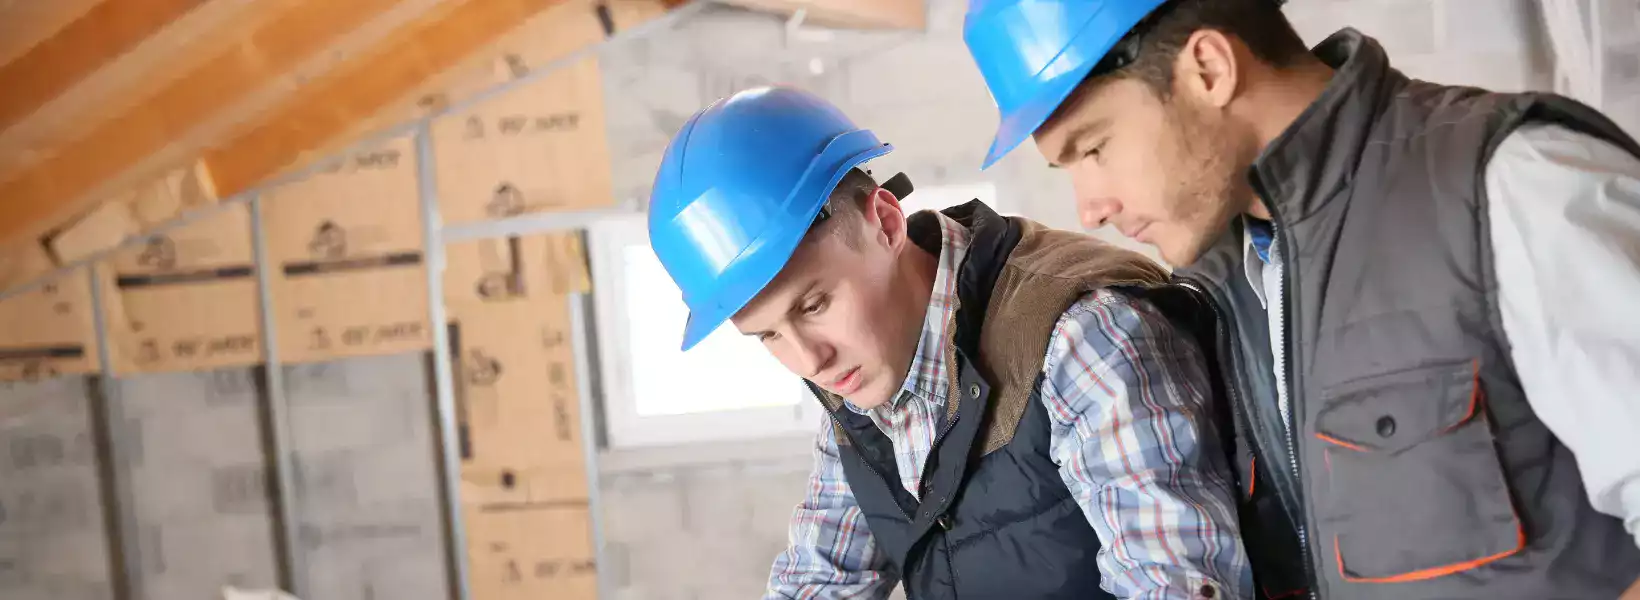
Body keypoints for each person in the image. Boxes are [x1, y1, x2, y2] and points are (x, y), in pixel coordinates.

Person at [962, 0, 1640, 598]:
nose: (1091, 207)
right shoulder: (1233, 287)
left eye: (1095, 149)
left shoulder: (1516, 186)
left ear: (1208, 69)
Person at [646, 86, 1254, 599]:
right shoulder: (861, 388)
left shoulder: (1082, 336)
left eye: (814, 305)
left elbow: (1175, 584)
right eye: (769, 336)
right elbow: (818, 579)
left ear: (884, 222)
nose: (809, 360)